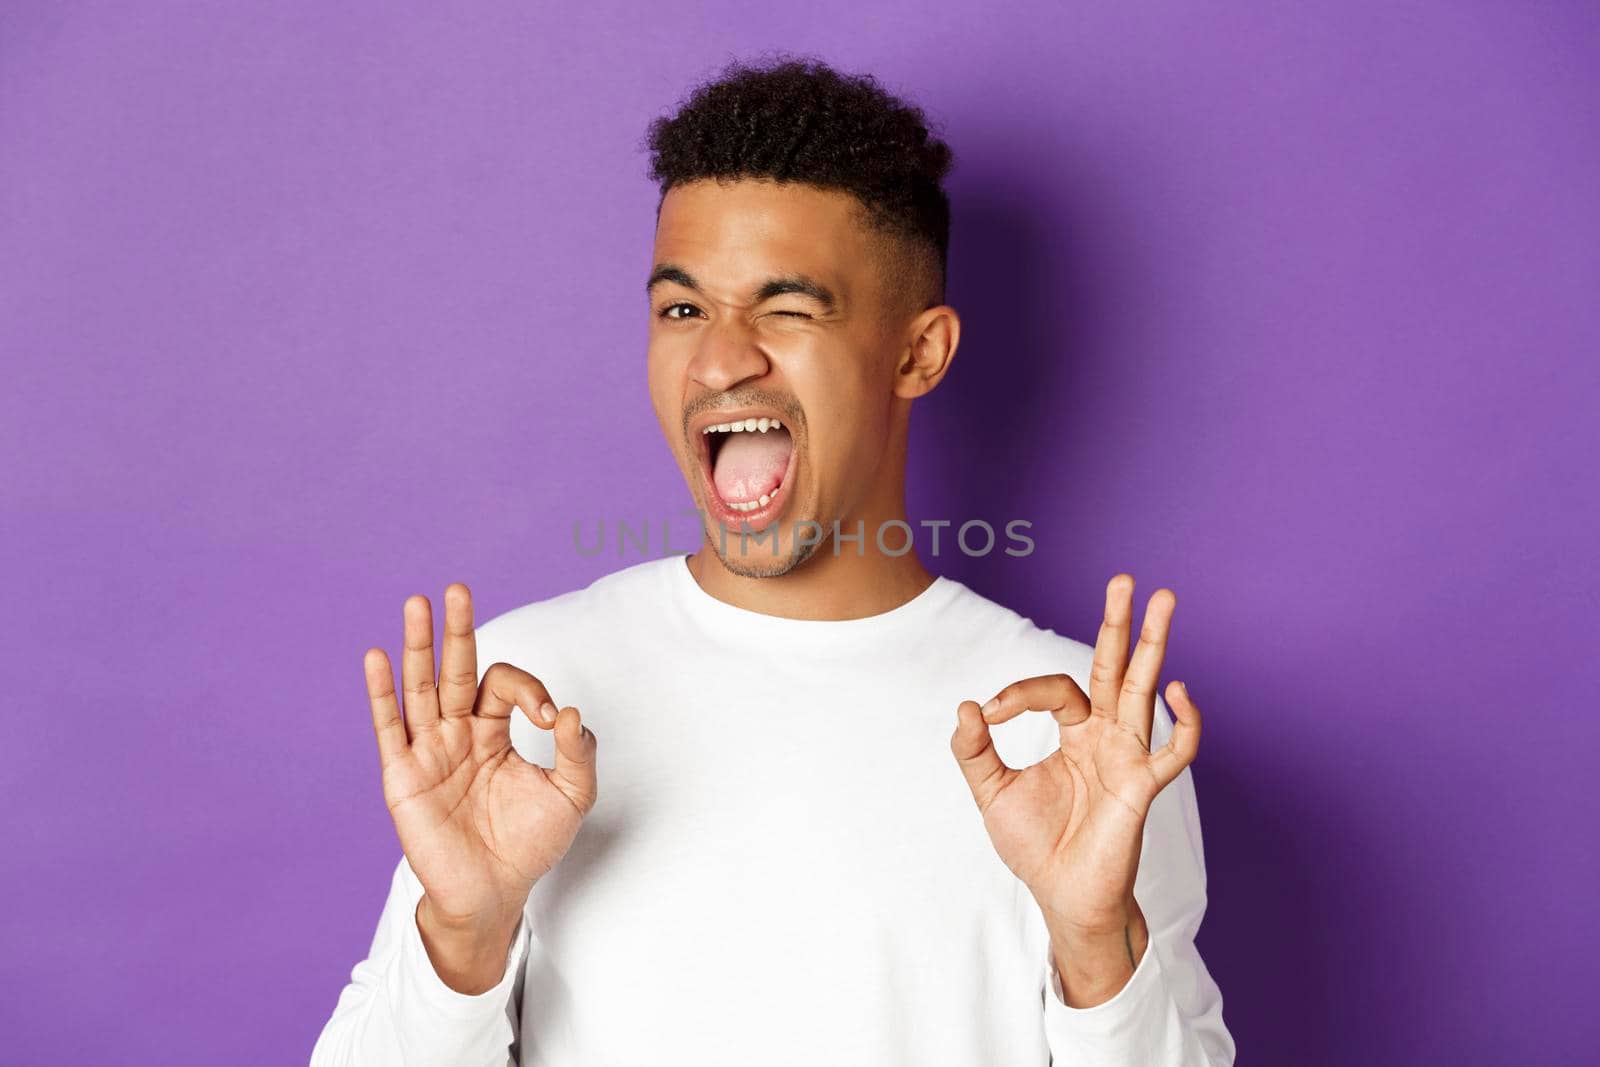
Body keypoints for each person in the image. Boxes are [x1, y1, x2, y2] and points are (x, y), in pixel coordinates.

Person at [311, 55, 1233, 1066]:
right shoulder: (515, 698)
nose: (718, 359)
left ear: (918, 354)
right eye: (681, 308)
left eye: (787, 309)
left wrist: (1097, 948)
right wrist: (462, 936)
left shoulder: (1088, 737)